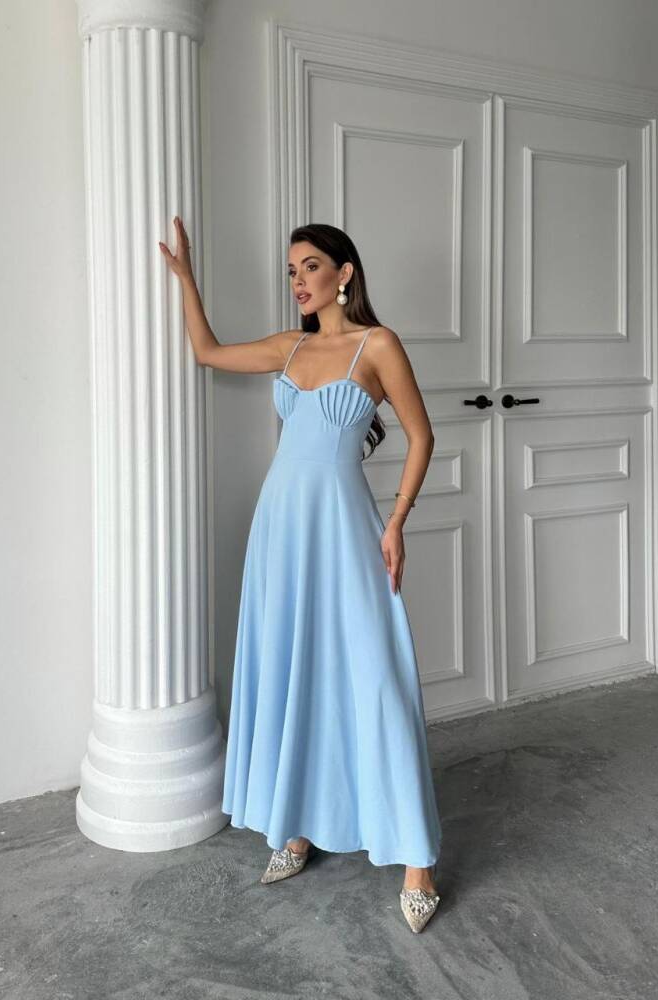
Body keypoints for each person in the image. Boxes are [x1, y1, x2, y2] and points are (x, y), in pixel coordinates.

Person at [159, 218, 443, 933]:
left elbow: (421, 435)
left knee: (375, 677)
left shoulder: (377, 345)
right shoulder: (289, 347)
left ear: (344, 273)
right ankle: (299, 824)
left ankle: (417, 861)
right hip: (280, 530)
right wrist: (187, 279)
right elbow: (207, 350)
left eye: (310, 266)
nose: (298, 280)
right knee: (295, 671)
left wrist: (396, 522)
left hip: (345, 529)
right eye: (291, 270)